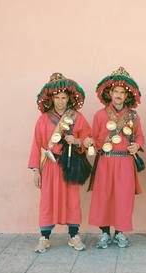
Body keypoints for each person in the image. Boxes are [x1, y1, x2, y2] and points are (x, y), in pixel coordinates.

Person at [28, 73, 92, 253]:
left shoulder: (77, 117)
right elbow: (37, 144)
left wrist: (77, 141)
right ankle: (44, 238)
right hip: (49, 165)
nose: (61, 101)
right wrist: (36, 170)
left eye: (64, 97)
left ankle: (73, 236)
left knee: (72, 199)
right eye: (57, 97)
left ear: (68, 98)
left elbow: (88, 138)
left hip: (69, 164)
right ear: (52, 98)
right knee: (48, 199)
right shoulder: (43, 119)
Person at [87, 67, 145, 249]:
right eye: (116, 92)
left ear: (126, 96)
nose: (119, 95)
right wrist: (88, 142)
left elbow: (140, 136)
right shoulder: (99, 115)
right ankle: (104, 233)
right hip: (105, 161)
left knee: (123, 197)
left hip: (126, 161)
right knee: (103, 196)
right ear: (110, 94)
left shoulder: (133, 115)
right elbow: (95, 138)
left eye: (122, 92)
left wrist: (137, 145)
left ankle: (120, 233)